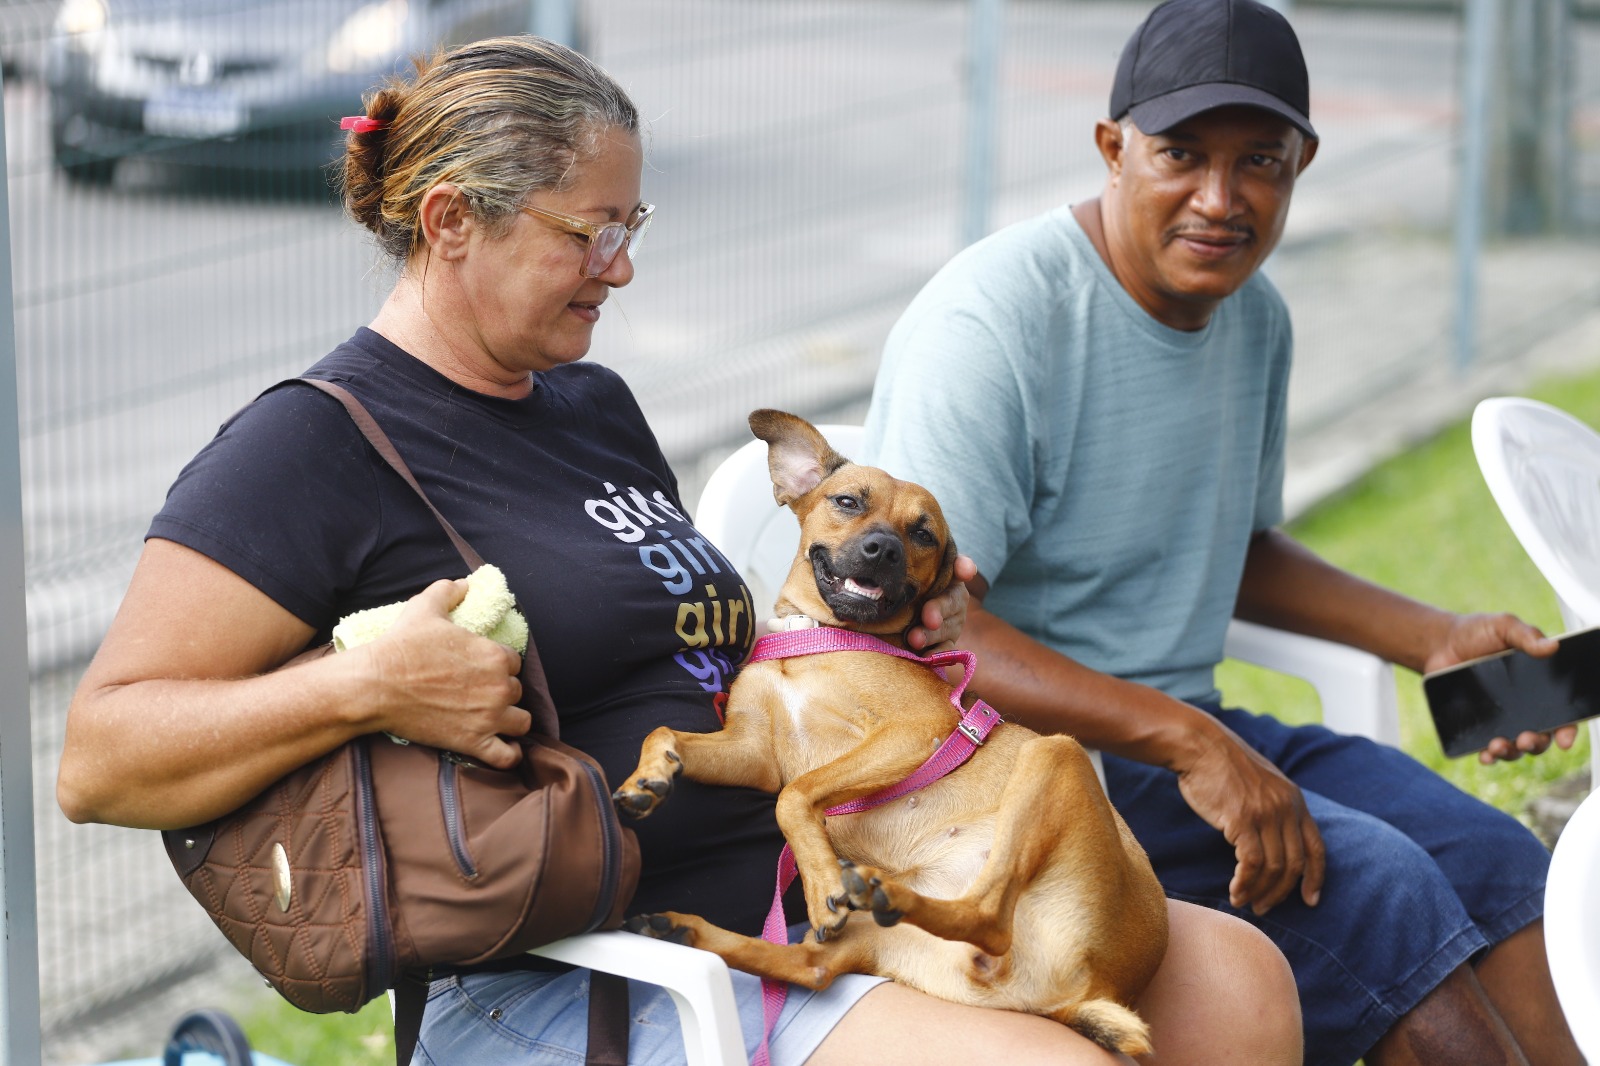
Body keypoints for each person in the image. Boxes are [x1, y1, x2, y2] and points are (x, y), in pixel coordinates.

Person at [57, 35, 1304, 1066]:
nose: (625, 265)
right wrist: (363, 687)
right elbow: (100, 759)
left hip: (821, 884)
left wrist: (877, 622)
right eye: (590, 233)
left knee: (1235, 985)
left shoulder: (586, 403)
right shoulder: (313, 447)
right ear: (449, 222)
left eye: (630, 222)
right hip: (583, 969)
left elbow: (682, 653)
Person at [864, 2, 1586, 1064]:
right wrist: (1188, 741)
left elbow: (1226, 541)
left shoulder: (1254, 317)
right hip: (1004, 775)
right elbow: (918, 633)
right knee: (1375, 884)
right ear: (1111, 148)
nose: (1220, 197)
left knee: (1487, 857)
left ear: (1302, 160)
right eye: (1179, 155)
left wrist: (1431, 637)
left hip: (1172, 730)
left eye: (1260, 160)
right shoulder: (995, 322)